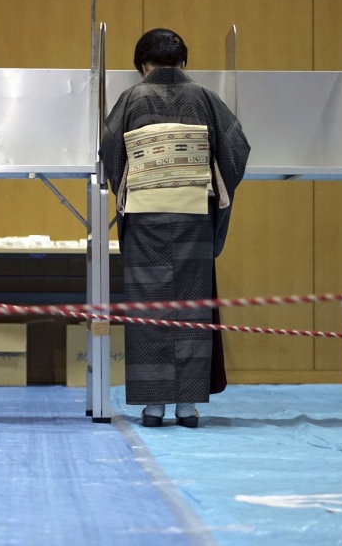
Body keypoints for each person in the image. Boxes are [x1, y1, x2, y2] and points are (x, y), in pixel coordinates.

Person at [100, 28, 250, 428]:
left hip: (146, 216)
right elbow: (237, 148)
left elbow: (110, 150)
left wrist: (135, 186)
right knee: (191, 304)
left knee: (148, 303)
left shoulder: (132, 98)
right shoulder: (204, 97)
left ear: (142, 65)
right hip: (193, 215)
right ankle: (187, 406)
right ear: (183, 62)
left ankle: (153, 407)